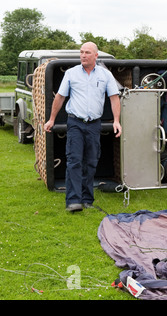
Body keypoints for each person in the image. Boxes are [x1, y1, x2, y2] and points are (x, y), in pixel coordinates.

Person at [44, 42, 122, 212]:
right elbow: (60, 97)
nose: (83, 55)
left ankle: (87, 199)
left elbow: (114, 98)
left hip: (94, 124)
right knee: (74, 161)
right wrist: (51, 120)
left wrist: (116, 121)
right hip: (75, 123)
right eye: (81, 52)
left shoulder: (105, 75)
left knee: (91, 162)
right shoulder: (71, 74)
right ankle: (73, 201)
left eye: (87, 52)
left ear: (96, 56)